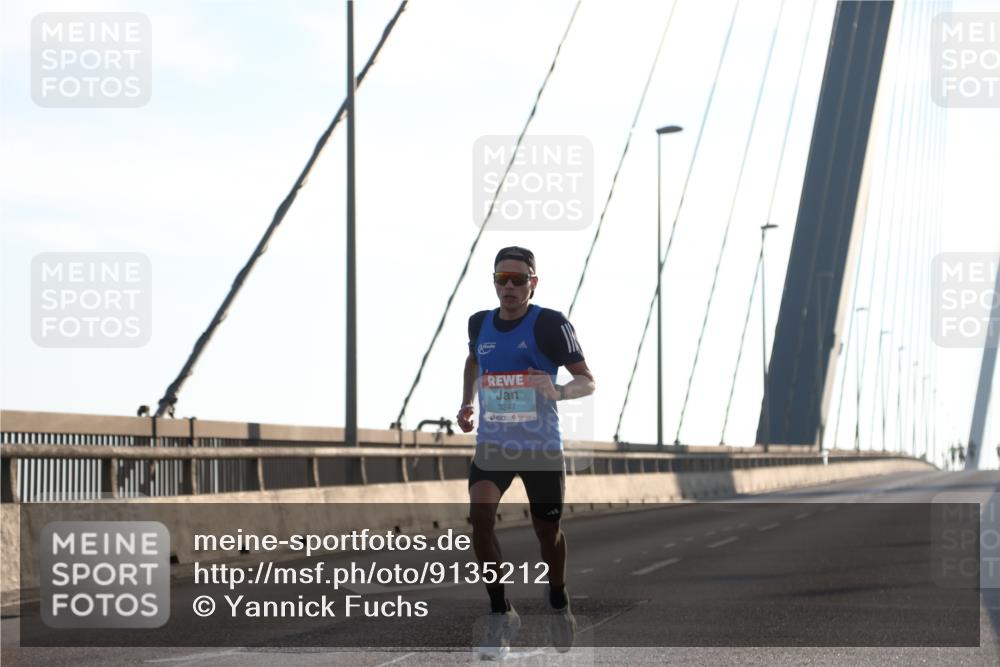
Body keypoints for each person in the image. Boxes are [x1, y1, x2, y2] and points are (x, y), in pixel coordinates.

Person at [457, 246, 595, 659]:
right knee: (480, 520)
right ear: (495, 282)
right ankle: (501, 614)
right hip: (493, 445)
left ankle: (558, 600)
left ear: (533, 282)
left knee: (546, 533)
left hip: (540, 448)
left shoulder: (550, 324)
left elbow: (588, 380)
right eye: (503, 279)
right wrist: (466, 403)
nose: (511, 287)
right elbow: (472, 362)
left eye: (519, 279)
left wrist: (559, 391)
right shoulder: (479, 322)